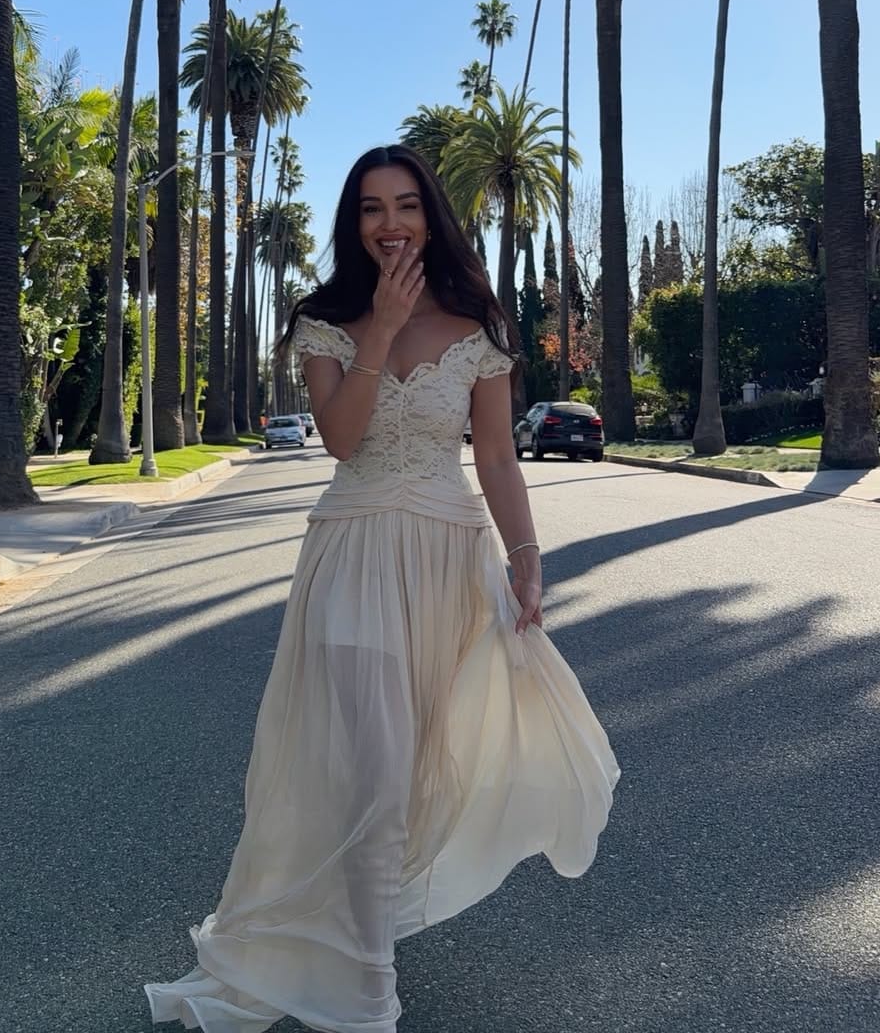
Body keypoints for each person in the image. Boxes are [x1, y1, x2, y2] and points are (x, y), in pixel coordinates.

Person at [145, 145, 620, 1033]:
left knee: (412, 777)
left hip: (449, 564)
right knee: (370, 770)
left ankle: (350, 943)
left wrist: (526, 556)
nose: (390, 223)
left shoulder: (478, 326)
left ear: (431, 217)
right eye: (371, 208)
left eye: (406, 205)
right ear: (353, 222)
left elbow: (496, 456)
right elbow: (339, 439)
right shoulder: (325, 323)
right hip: (354, 555)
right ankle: (368, 999)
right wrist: (381, 328)